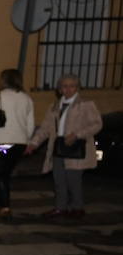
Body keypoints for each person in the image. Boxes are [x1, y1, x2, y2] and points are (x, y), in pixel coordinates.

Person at [26, 73, 103, 218]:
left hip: (76, 147)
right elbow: (46, 128)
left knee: (73, 179)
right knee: (59, 178)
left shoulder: (85, 105)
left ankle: (77, 207)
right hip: (59, 146)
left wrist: (77, 134)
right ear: (60, 89)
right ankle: (60, 207)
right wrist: (34, 143)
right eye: (65, 86)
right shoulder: (55, 106)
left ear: (77, 88)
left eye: (72, 86)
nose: (68, 89)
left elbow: (97, 124)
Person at [0, 68, 35, 217]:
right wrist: (27, 140)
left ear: (4, 80)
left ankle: (4, 206)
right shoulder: (26, 98)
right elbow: (30, 124)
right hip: (19, 142)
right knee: (4, 173)